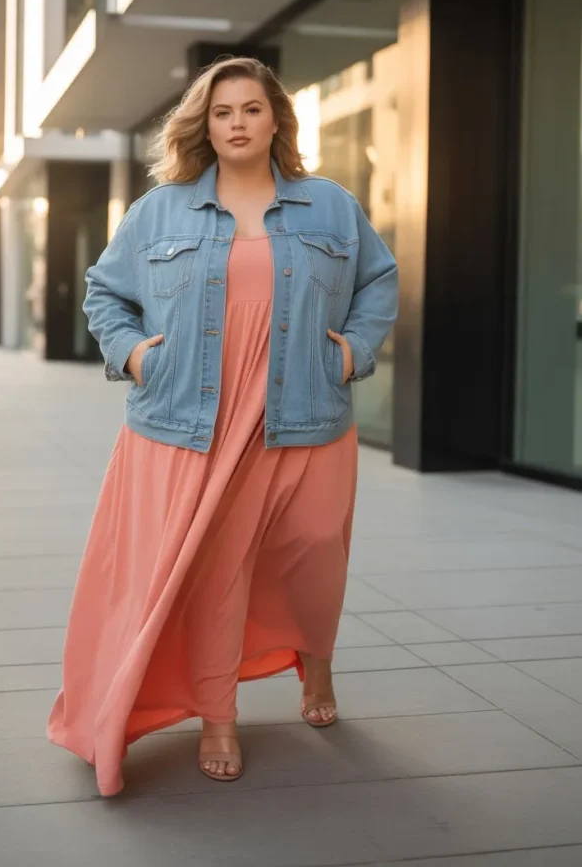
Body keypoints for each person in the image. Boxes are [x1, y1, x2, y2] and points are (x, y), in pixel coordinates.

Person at [47, 57, 398, 797]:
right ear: (203, 126)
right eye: (220, 112)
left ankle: (316, 659)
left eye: (249, 109)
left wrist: (355, 353)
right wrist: (135, 355)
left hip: (305, 412)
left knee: (312, 551)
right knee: (217, 573)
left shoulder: (329, 205)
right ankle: (217, 717)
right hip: (190, 421)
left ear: (276, 120)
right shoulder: (159, 211)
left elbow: (378, 281)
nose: (235, 123)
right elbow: (105, 295)